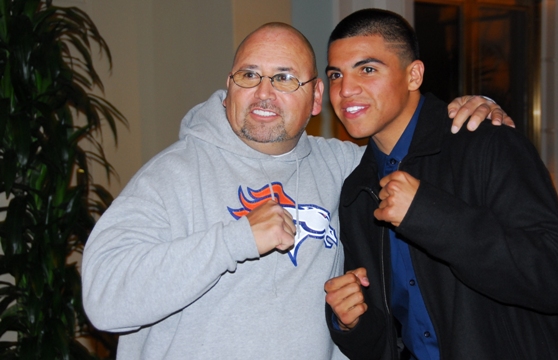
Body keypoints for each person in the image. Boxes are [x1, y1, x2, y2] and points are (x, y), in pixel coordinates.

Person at [81, 21, 509, 359]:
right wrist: (236, 239)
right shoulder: (170, 177)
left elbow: (425, 156)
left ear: (317, 97)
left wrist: (472, 111)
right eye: (249, 75)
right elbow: (104, 299)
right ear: (229, 87)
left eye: (285, 78)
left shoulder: (344, 166)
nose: (263, 93)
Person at [323, 8, 558, 360]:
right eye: (335, 74)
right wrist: (350, 323)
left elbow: (557, 278)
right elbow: (386, 339)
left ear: (413, 75)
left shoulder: (486, 142)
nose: (346, 89)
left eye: (367, 69)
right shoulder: (358, 190)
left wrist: (428, 214)